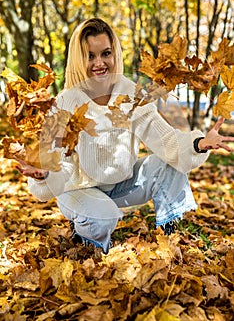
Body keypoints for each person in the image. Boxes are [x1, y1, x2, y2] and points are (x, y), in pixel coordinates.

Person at [17, 18, 234, 254]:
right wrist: (44, 174)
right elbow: (60, 166)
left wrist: (199, 143)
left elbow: (166, 142)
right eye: (90, 56)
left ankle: (169, 235)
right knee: (102, 218)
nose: (99, 63)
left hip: (121, 185)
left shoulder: (130, 93)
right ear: (79, 59)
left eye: (105, 53)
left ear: (115, 54)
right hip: (77, 189)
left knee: (168, 167)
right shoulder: (65, 102)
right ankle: (86, 231)